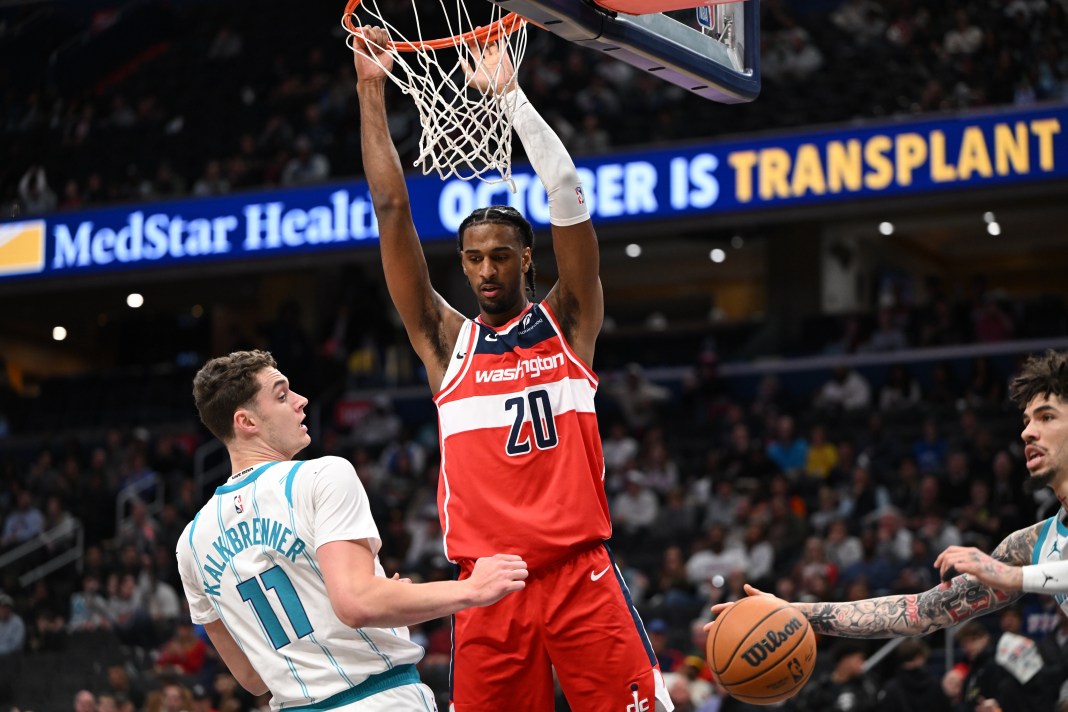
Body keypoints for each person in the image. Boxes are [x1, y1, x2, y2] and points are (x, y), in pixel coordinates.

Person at [353, 27, 672, 711]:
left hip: (579, 574)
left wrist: (513, 98)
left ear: (528, 258)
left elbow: (566, 190)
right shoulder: (445, 344)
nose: (487, 269)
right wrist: (370, 89)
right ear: (461, 264)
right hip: (487, 587)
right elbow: (389, 210)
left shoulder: (570, 322)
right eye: (473, 258)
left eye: (501, 254)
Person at [176, 350, 527, 710]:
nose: (301, 401)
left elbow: (252, 678)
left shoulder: (189, 543)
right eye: (282, 395)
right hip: (379, 700)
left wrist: (378, 601)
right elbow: (356, 603)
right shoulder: (321, 475)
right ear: (246, 422)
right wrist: (470, 589)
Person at [706, 350, 1068, 654]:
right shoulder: (1033, 544)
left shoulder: (1019, 565)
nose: (1026, 431)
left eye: (1046, 417)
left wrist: (1011, 576)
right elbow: (921, 612)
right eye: (1025, 420)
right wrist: (796, 611)